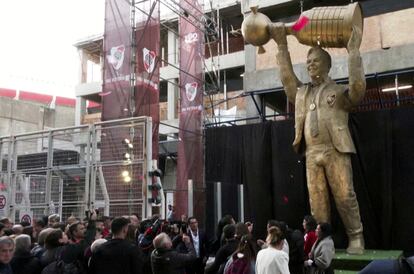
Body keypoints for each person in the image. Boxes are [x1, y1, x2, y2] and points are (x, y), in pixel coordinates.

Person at [271, 21, 366, 255]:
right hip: (312, 152)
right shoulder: (302, 93)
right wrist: (282, 45)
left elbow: (358, 89)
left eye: (316, 61)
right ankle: (322, 242)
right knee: (318, 202)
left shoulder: (338, 91)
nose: (311, 65)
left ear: (327, 66)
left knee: (345, 195)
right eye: (308, 62)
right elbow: (287, 80)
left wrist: (353, 52)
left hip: (335, 149)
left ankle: (356, 237)